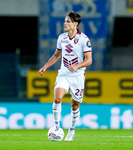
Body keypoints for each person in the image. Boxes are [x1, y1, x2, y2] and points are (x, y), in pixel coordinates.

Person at [38, 11, 92, 141]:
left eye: (68, 21)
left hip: (77, 76)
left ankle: (71, 131)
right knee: (57, 98)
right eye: (65, 21)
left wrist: (77, 66)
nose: (65, 23)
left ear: (75, 24)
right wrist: (45, 66)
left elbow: (89, 60)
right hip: (63, 73)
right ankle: (57, 127)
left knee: (74, 106)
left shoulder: (84, 39)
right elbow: (57, 55)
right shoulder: (62, 37)